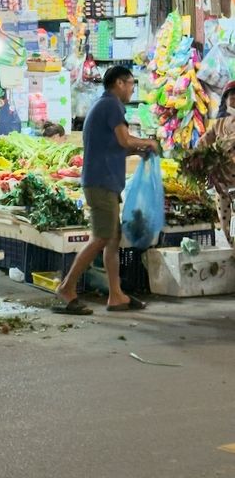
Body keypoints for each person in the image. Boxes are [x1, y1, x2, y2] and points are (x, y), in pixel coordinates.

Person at [55, 65, 158, 315]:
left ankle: (116, 295)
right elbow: (124, 140)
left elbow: (116, 147)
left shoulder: (103, 105)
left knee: (112, 239)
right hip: (101, 183)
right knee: (101, 237)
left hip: (104, 182)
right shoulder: (112, 105)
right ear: (119, 83)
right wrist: (148, 142)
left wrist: (138, 150)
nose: (132, 89)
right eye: (131, 84)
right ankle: (66, 288)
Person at [190, 80, 235, 242]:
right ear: (225, 100)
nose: (234, 98)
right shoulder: (220, 124)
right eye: (231, 96)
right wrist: (197, 157)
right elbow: (202, 143)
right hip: (222, 185)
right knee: (227, 226)